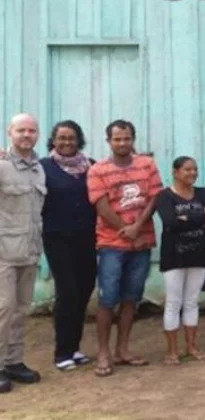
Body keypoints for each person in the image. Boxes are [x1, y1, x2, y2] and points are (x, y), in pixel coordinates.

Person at [87, 119, 163, 377]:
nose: (122, 143)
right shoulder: (98, 169)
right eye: (117, 139)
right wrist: (126, 229)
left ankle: (123, 349)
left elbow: (154, 197)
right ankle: (103, 352)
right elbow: (101, 205)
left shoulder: (147, 164)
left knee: (131, 298)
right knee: (108, 299)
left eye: (127, 138)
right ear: (109, 141)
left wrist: (138, 227)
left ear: (133, 139)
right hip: (111, 244)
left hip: (141, 242)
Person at [39, 120, 97, 372]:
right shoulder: (42, 167)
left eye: (71, 138)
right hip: (57, 238)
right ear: (53, 140)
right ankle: (62, 351)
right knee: (68, 291)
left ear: (79, 140)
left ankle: (74, 347)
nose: (66, 143)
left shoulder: (91, 166)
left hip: (87, 237)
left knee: (85, 288)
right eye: (61, 138)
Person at [155, 157, 205, 365]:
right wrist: (198, 215)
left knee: (192, 301)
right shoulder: (164, 196)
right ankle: (172, 350)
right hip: (173, 256)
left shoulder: (201, 193)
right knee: (173, 302)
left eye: (195, 169)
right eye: (187, 169)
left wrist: (186, 219)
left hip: (198, 254)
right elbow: (170, 221)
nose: (192, 173)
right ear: (175, 172)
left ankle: (192, 346)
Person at [0, 114, 44, 392]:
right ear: (9, 133)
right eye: (21, 130)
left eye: (31, 130)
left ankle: (14, 361)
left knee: (20, 309)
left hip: (29, 250)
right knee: (2, 309)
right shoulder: (2, 166)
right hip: (2, 251)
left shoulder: (38, 169)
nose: (26, 135)